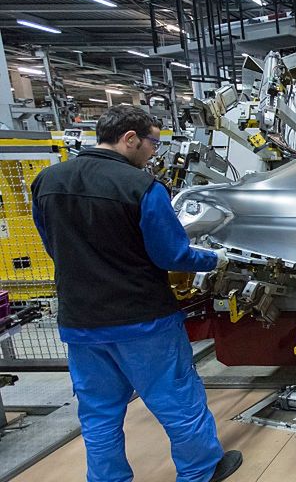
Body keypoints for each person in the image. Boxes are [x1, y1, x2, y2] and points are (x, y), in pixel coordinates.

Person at [31, 105, 242, 482]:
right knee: (176, 400)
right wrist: (217, 259)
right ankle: (200, 472)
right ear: (130, 139)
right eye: (152, 143)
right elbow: (171, 255)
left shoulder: (48, 181)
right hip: (144, 322)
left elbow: (53, 245)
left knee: (98, 413)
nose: (155, 152)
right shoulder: (142, 187)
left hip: (81, 322)